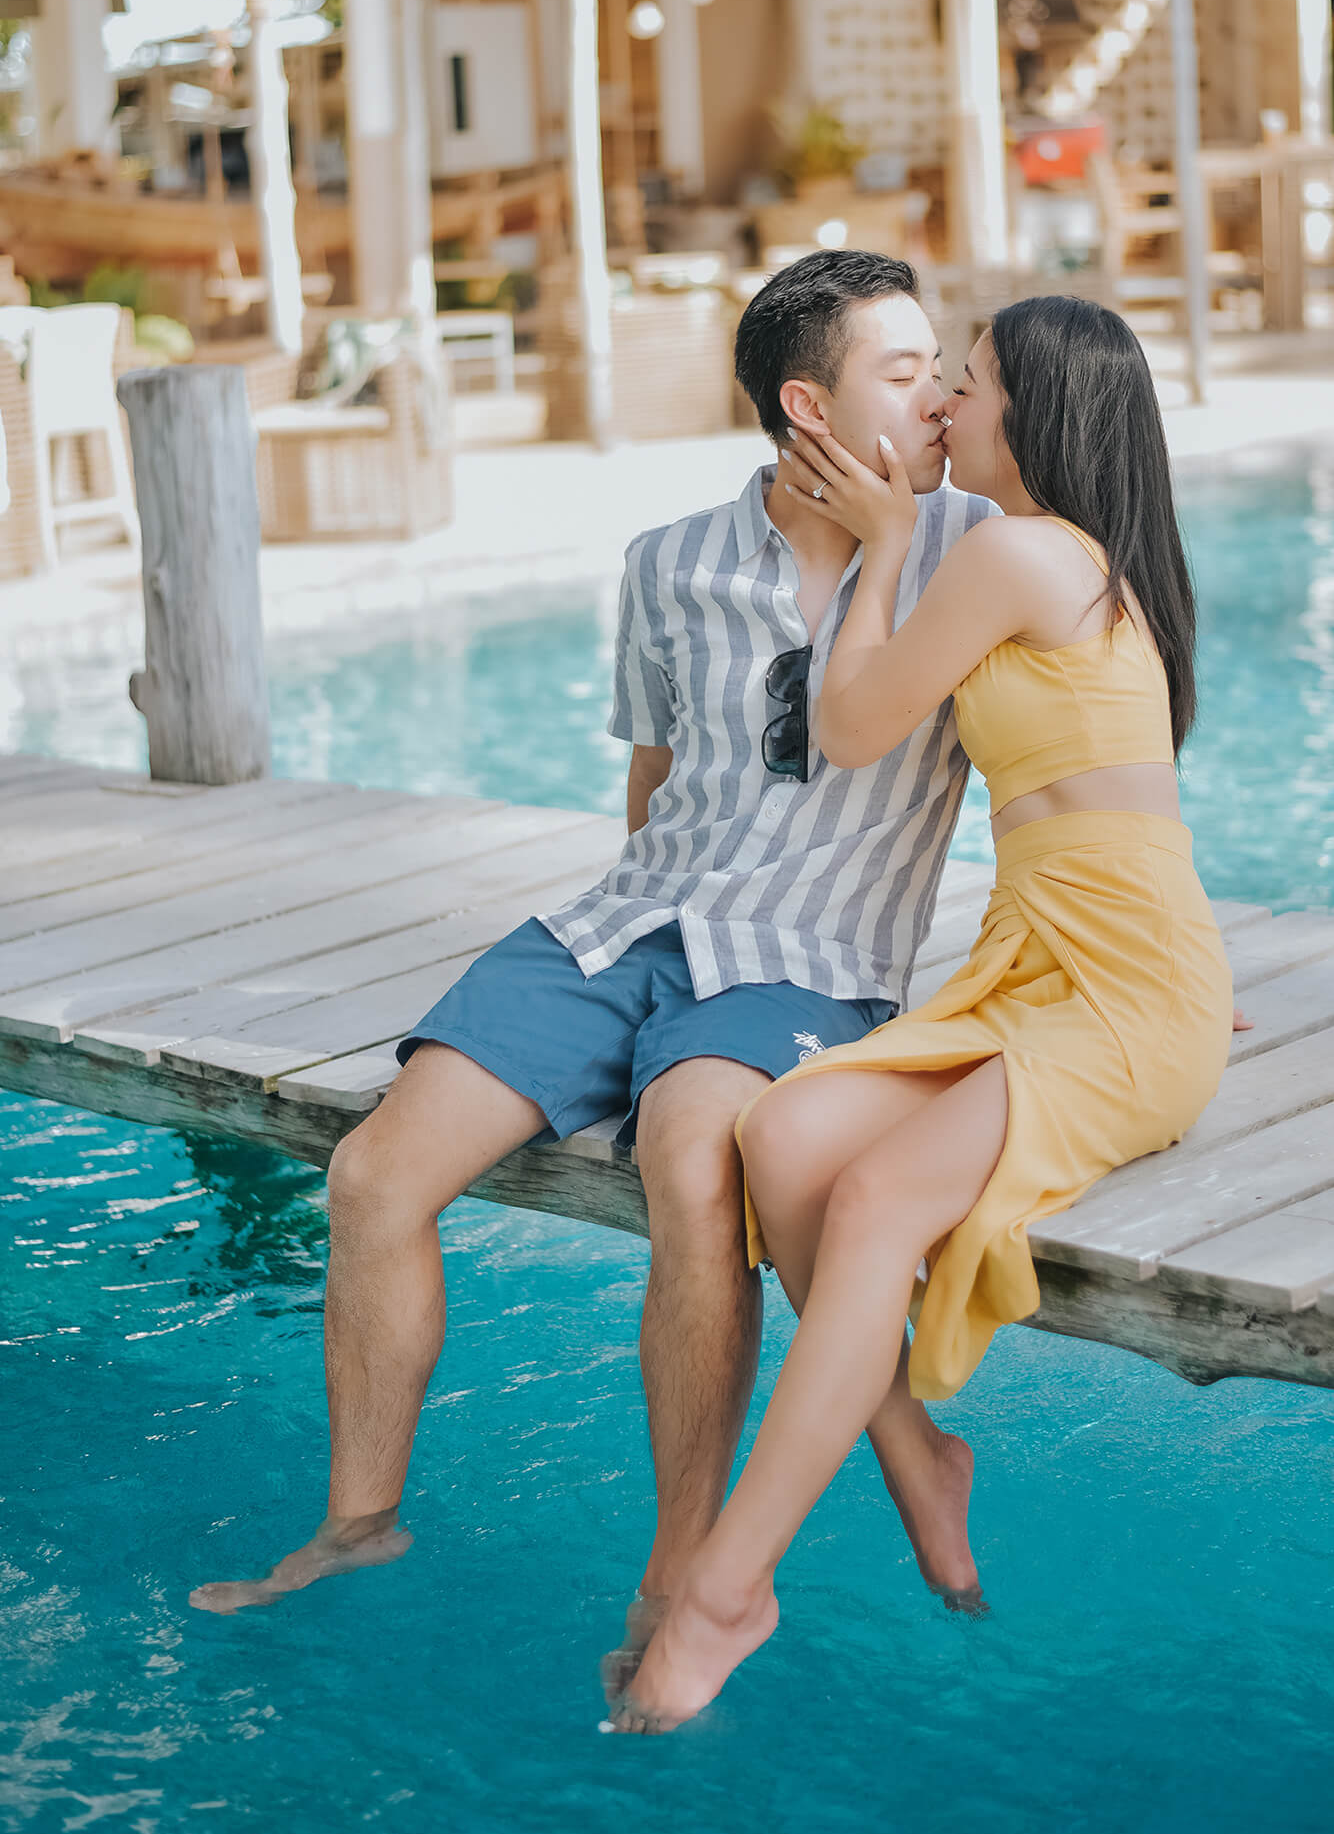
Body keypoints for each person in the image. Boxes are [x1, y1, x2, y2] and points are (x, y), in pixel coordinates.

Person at [187, 253, 999, 1663]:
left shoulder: (974, 550)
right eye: (904, 368)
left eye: (937, 367)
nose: (939, 393)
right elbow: (655, 770)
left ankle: (682, 1568)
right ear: (807, 405)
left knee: (695, 1169)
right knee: (372, 1174)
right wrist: (626, 960)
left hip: (807, 956)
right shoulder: (670, 561)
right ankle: (359, 1516)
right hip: (627, 922)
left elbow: (1078, 768)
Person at [608, 295, 1237, 1733]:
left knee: (880, 1188)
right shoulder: (1064, 561)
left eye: (966, 386)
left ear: (1039, 418)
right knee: (787, 1134)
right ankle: (913, 1451)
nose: (941, 408)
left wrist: (887, 545)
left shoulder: (1014, 552)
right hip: (1049, 966)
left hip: (1119, 990)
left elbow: (849, 724)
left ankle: (721, 1594)